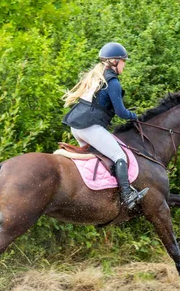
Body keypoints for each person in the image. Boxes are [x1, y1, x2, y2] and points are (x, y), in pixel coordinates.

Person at [62, 42, 148, 209]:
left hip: (77, 127)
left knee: (99, 158)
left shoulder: (97, 76)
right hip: (89, 127)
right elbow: (121, 113)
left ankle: (99, 193)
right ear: (115, 61)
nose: (125, 64)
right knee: (119, 155)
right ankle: (127, 195)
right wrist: (134, 116)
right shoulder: (113, 82)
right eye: (124, 61)